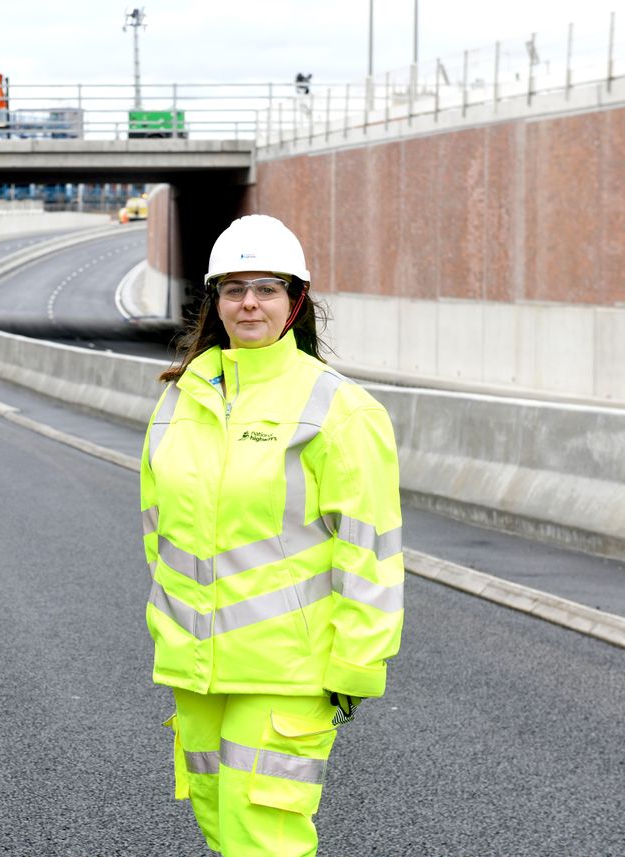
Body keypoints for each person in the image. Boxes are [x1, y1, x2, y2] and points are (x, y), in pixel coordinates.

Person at [140, 214, 404, 856]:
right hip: (196, 669)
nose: (249, 302)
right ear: (215, 301)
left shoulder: (339, 409)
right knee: (220, 827)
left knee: (264, 838)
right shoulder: (183, 397)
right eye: (234, 288)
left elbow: (368, 551)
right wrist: (171, 636)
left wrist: (355, 666)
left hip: (287, 672)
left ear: (296, 302)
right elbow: (160, 529)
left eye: (266, 288)